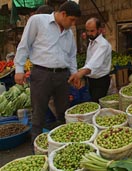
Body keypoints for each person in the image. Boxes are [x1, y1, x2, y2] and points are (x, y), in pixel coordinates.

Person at [14, 1, 81, 141]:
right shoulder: (37, 21)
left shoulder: (68, 33)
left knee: (63, 111)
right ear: (63, 14)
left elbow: (72, 55)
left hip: (62, 76)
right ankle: (36, 147)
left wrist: (74, 73)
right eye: (72, 20)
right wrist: (19, 69)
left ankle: (63, 142)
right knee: (39, 112)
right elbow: (24, 45)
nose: (73, 24)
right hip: (41, 74)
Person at [69, 17, 112, 103]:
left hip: (100, 81)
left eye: (92, 31)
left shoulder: (103, 45)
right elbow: (89, 61)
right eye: (87, 31)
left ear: (99, 30)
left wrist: (79, 74)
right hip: (91, 80)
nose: (89, 33)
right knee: (92, 103)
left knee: (96, 104)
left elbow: (93, 64)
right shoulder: (92, 42)